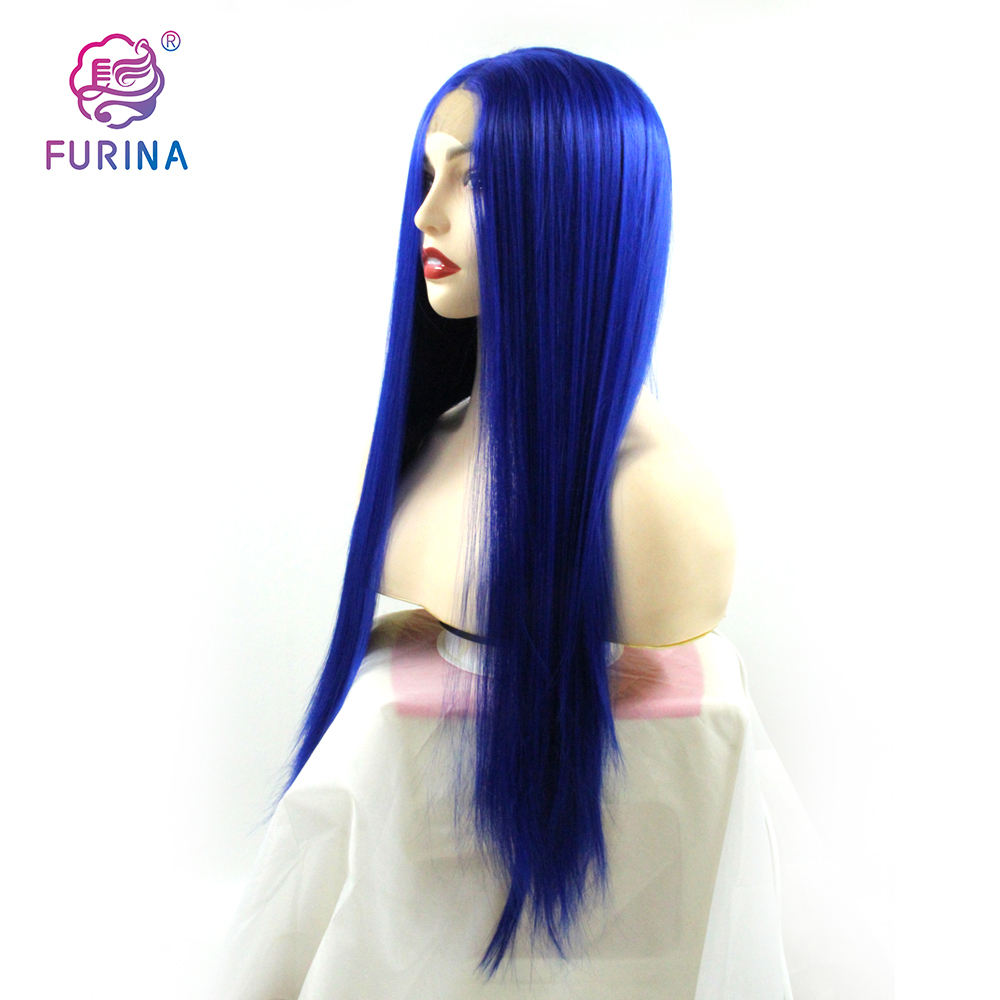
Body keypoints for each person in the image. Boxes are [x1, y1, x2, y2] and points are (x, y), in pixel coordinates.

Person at [219, 47, 888, 999]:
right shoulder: (435, 442)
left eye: (475, 179)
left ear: (579, 206)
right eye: (428, 172)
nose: (426, 214)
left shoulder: (656, 502)